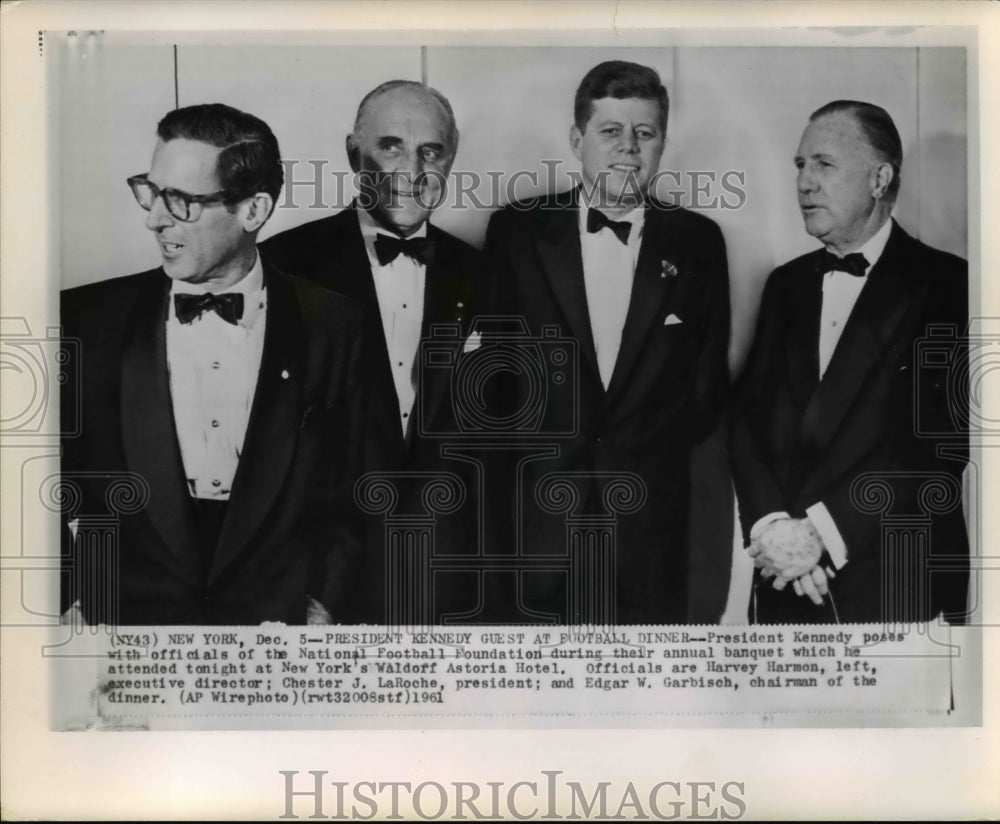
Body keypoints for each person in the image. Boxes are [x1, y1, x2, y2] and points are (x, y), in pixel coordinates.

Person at [60, 103, 367, 625]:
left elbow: (365, 485)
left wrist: (325, 603)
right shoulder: (84, 319)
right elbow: (28, 483)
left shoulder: (337, 325)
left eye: (179, 200)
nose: (154, 217)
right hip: (122, 632)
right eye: (151, 191)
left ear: (253, 211)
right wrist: (66, 598)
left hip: (279, 632)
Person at [483, 60, 731, 624]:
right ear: (577, 140)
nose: (628, 149)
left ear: (663, 143)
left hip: (648, 533)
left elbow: (706, 390)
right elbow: (491, 387)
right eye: (611, 132)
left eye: (644, 134)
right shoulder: (516, 232)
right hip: (535, 532)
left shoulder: (699, 244)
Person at [730, 100, 969, 624]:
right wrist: (773, 527)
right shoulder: (785, 286)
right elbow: (746, 421)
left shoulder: (952, 285)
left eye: (824, 164)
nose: (805, 183)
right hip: (783, 585)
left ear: (880, 178)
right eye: (799, 166)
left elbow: (939, 448)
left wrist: (820, 534)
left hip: (894, 586)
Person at [260, 81, 487, 623]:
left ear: (451, 158)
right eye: (391, 147)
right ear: (352, 154)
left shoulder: (486, 274)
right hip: (319, 591)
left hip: (450, 585)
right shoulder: (283, 267)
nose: (412, 170)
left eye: (430, 151)